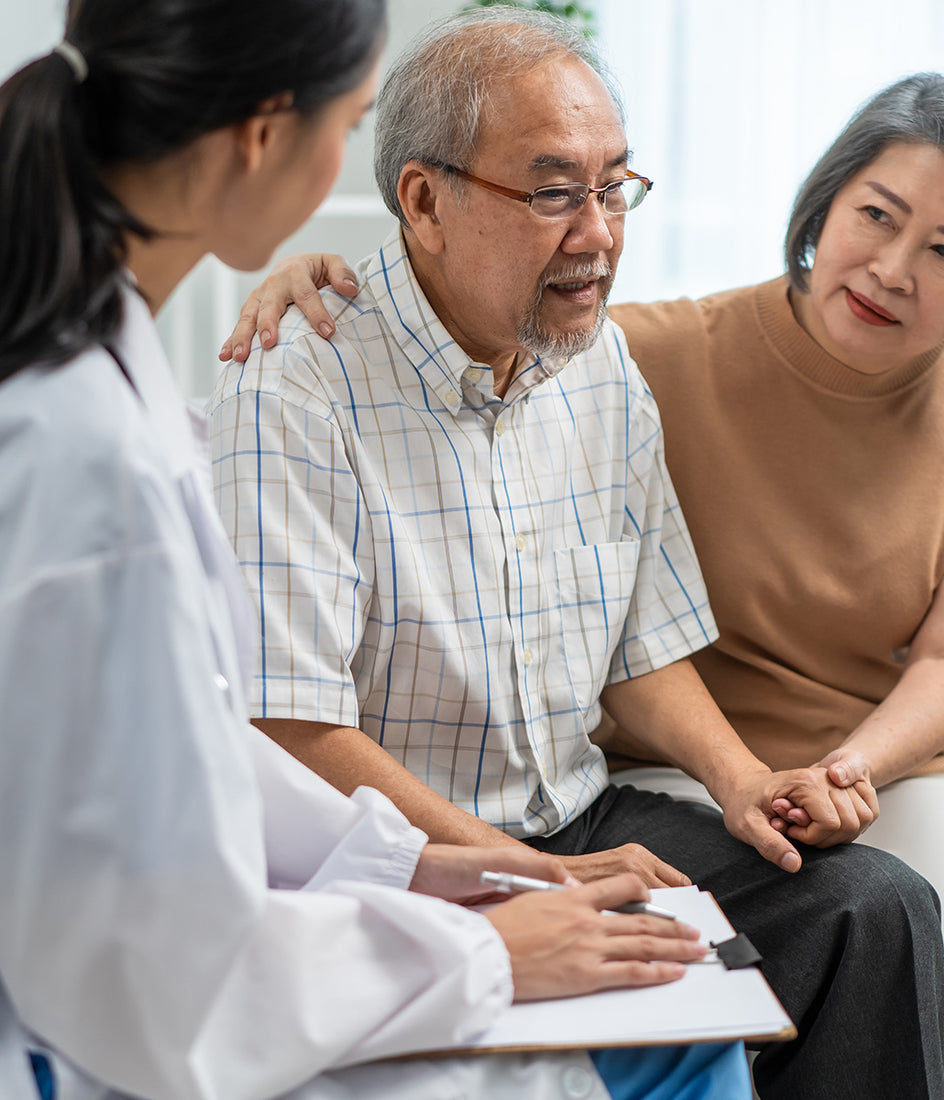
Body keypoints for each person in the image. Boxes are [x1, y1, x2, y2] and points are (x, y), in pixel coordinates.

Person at [0, 4, 745, 1099]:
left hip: (226, 963)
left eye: (611, 188)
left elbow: (195, 757)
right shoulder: (98, 463)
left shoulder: (101, 371)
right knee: (683, 1045)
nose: (593, 230)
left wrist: (419, 866)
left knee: (783, 952)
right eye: (351, 124)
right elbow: (163, 989)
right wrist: (484, 950)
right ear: (265, 136)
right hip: (133, 1039)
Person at [209, 10, 944, 1099]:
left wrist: (742, 781)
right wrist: (522, 876)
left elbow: (640, 647)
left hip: (577, 817)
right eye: (555, 192)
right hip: (399, 860)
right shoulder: (297, 383)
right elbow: (292, 725)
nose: (598, 233)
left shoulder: (596, 363)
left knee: (873, 909)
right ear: (424, 201)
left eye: (614, 187)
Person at [592, 75, 944, 1100]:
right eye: (876, 216)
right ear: (825, 203)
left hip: (881, 767)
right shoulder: (647, 352)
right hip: (677, 766)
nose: (892, 270)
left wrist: (851, 769)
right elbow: (463, 334)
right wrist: (319, 285)